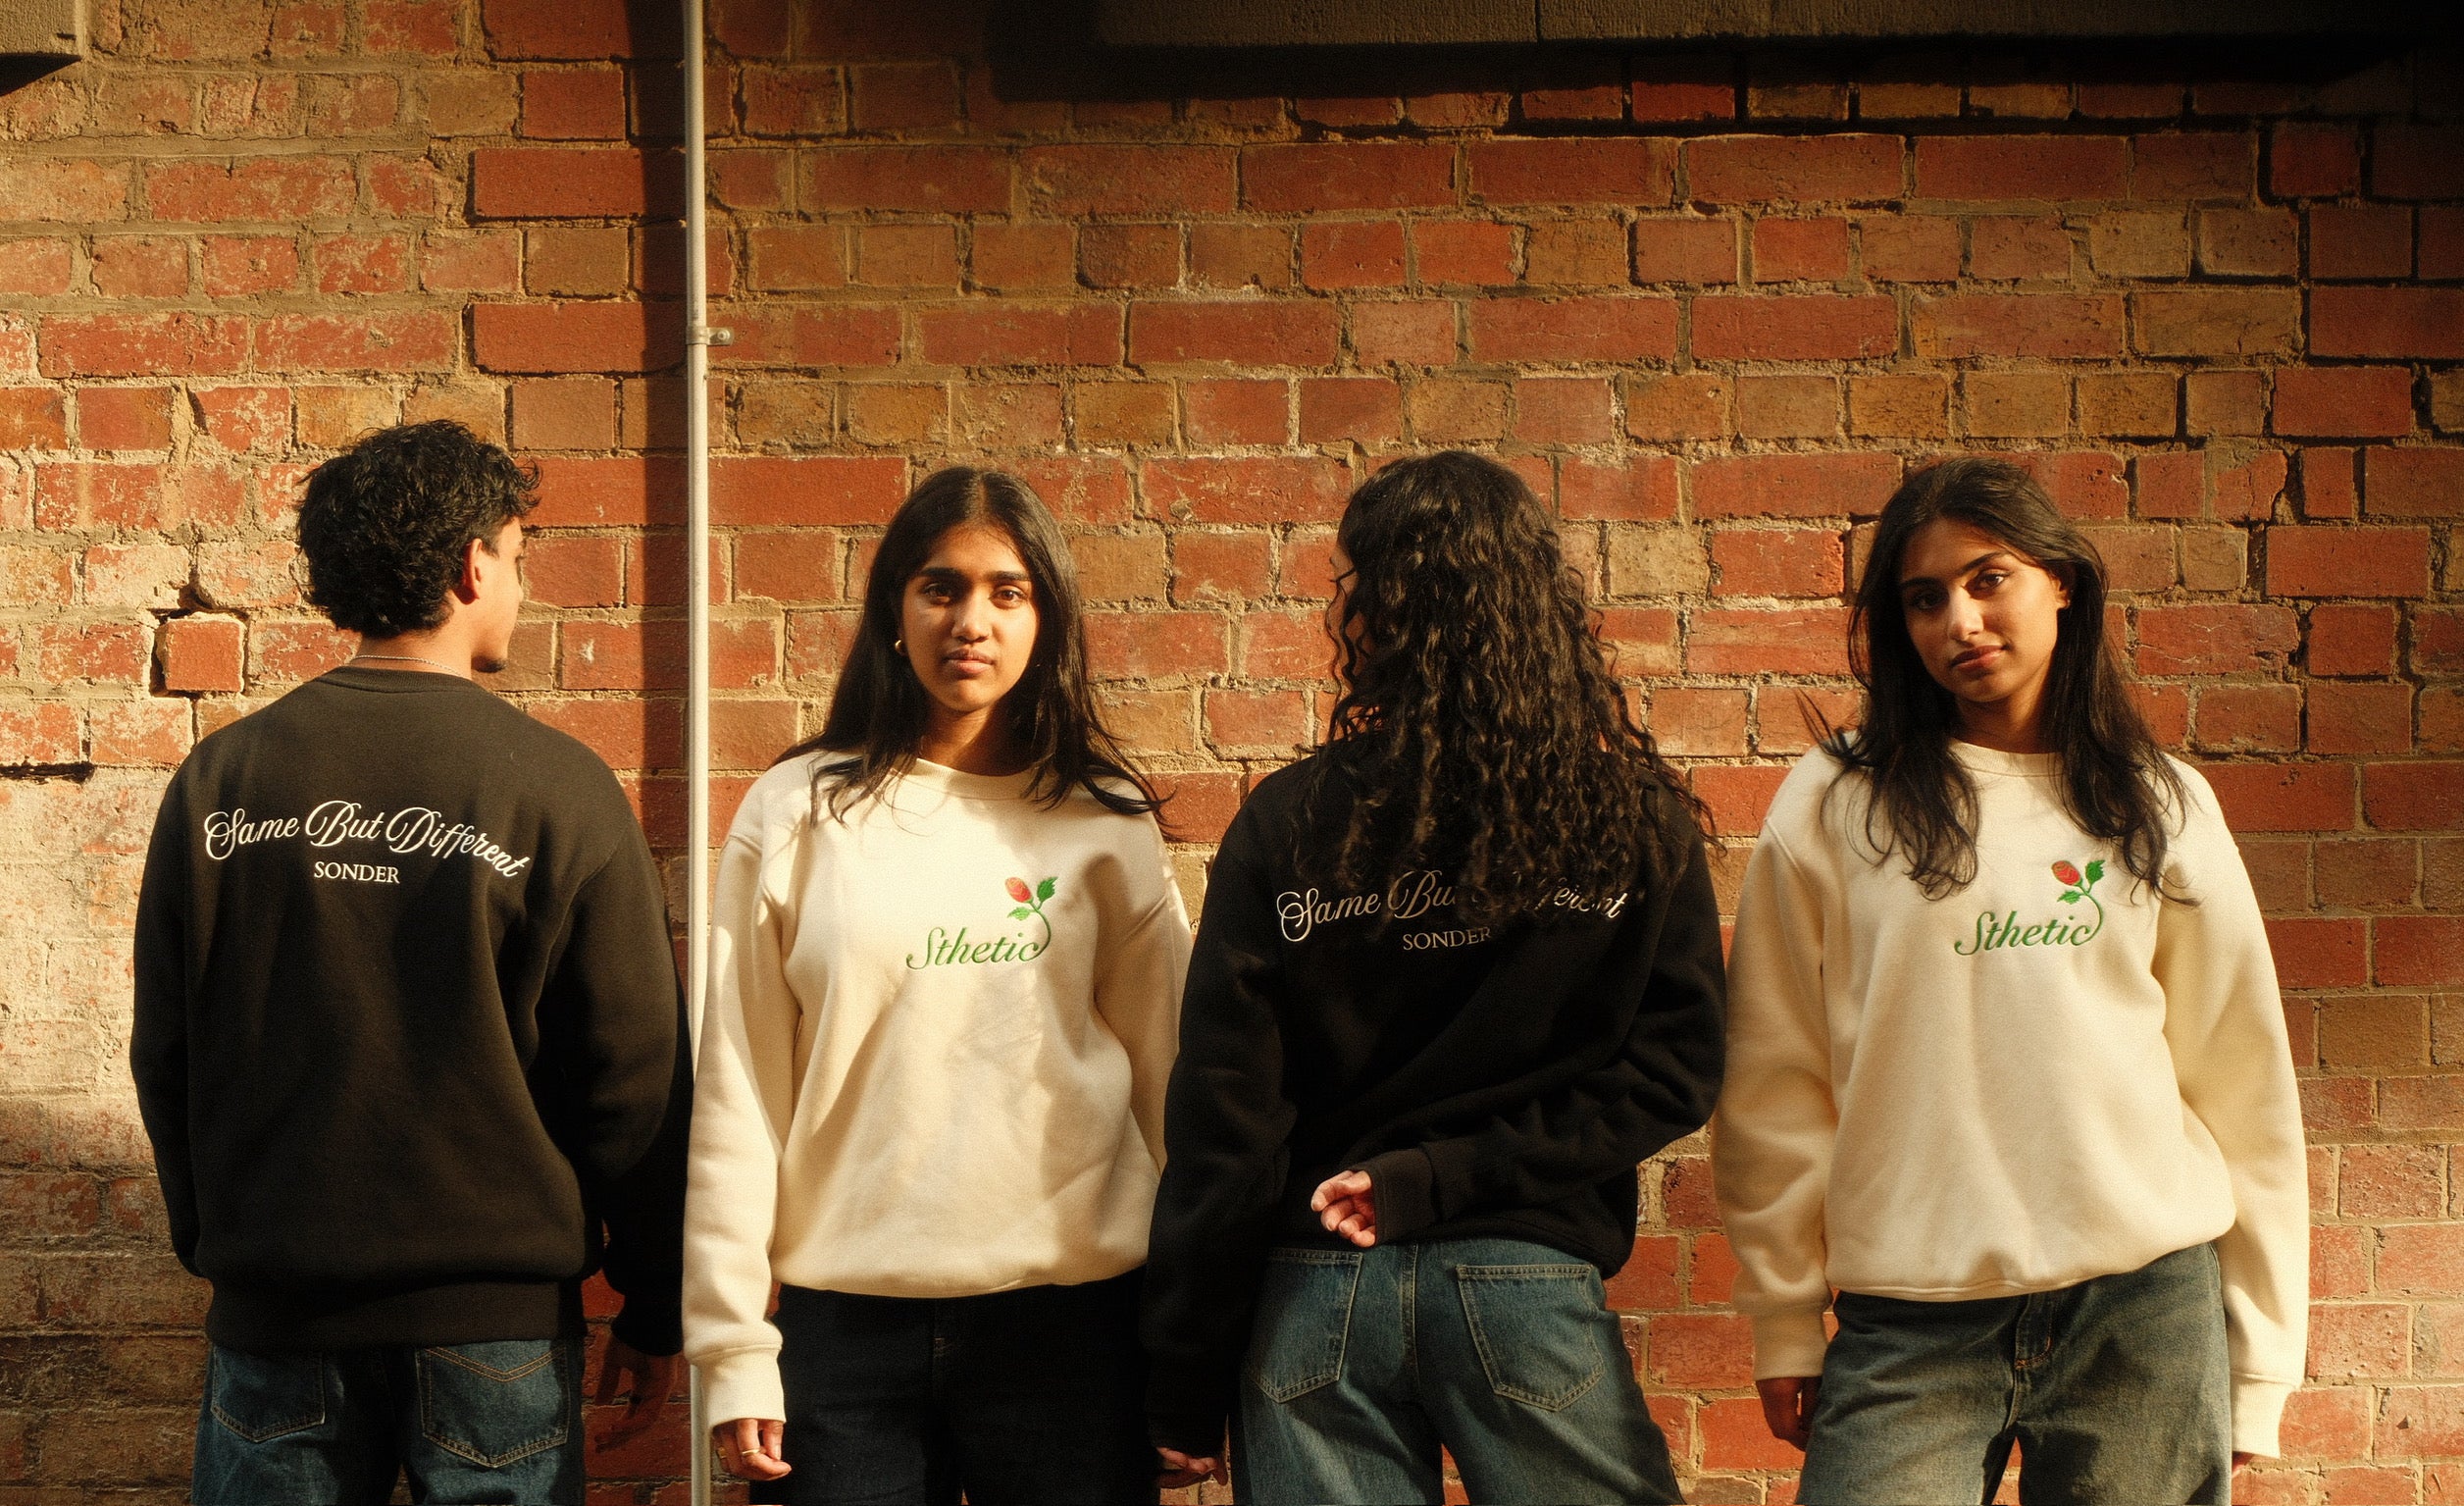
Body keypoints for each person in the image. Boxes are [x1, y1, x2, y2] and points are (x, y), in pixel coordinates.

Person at [1713, 457, 2308, 1503]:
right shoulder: (1837, 802)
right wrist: (1783, 1314)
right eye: (1924, 597)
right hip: (1911, 1317)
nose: (1960, 621)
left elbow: (2241, 1081)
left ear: (2060, 581)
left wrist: (2258, 1359)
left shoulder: (2160, 803)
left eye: (1988, 579)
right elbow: (1773, 1075)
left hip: (2141, 1311)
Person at [1141, 450, 1726, 1505]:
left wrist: (1183, 1379)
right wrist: (1457, 1175)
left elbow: (1227, 1123)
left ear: (1375, 612)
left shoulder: (1289, 821)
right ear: (1538, 606)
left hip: (1318, 1293)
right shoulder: (1632, 823)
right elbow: (1669, 1072)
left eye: (1350, 584)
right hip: (1523, 1282)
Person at [129, 420, 692, 1506]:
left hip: (278, 1312)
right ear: (472, 563)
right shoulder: (557, 787)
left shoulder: (220, 782)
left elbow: (168, 1048)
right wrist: (655, 1300)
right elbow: (636, 1080)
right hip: (496, 1332)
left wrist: (222, 1242)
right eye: (517, 558)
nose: (519, 588)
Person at [685, 466, 1192, 1506]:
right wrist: (733, 1344)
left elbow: (1174, 1085)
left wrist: (1191, 1340)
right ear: (895, 609)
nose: (971, 620)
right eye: (940, 587)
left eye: (1008, 591)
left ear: (1046, 618)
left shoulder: (1103, 819)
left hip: (1072, 1328)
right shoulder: (796, 811)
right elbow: (739, 1088)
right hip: (844, 1334)